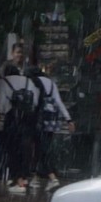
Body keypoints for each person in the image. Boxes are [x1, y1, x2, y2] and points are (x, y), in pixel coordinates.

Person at [25, 64, 75, 193]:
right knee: (43, 147)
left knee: (39, 149)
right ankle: (35, 177)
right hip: (51, 122)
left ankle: (52, 178)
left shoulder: (32, 81)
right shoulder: (51, 83)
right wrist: (68, 119)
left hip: (37, 121)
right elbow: (59, 102)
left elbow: (34, 102)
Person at [0, 62, 38, 195]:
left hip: (13, 118)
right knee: (25, 148)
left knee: (12, 149)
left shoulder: (4, 82)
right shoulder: (28, 81)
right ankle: (24, 178)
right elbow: (34, 101)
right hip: (28, 118)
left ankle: (17, 180)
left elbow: (1, 104)